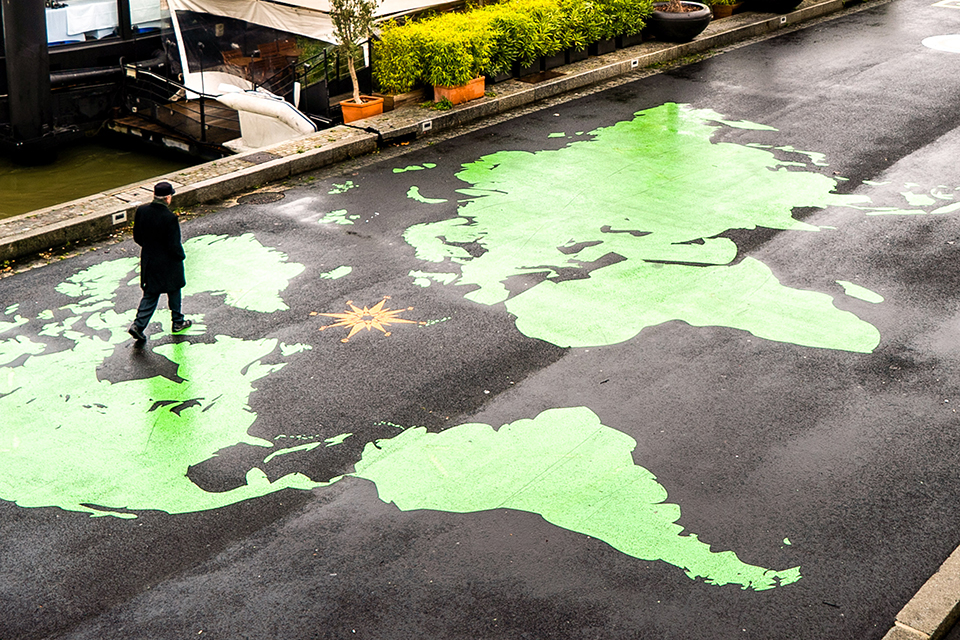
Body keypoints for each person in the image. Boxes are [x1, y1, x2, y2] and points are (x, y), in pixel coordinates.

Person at [128, 182, 192, 343]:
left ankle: (138, 325)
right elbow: (174, 245)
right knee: (174, 290)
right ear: (168, 197)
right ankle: (177, 321)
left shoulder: (142, 211)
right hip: (169, 262)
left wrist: (150, 248)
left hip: (150, 260)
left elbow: (137, 237)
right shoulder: (170, 218)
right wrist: (180, 257)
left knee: (150, 294)